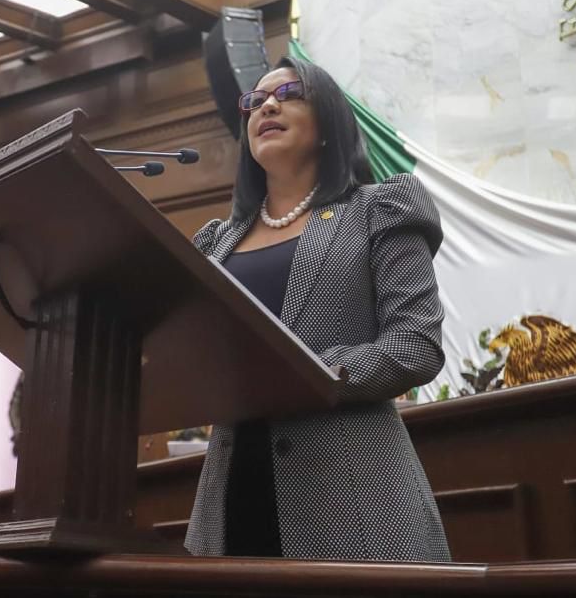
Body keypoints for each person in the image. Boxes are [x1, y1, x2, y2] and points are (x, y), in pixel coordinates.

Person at [184, 56, 451, 562]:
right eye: (255, 101)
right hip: (231, 498)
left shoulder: (376, 211)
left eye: (288, 94)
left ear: (329, 122)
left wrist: (303, 373)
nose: (266, 106)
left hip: (354, 498)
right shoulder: (214, 244)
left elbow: (415, 345)